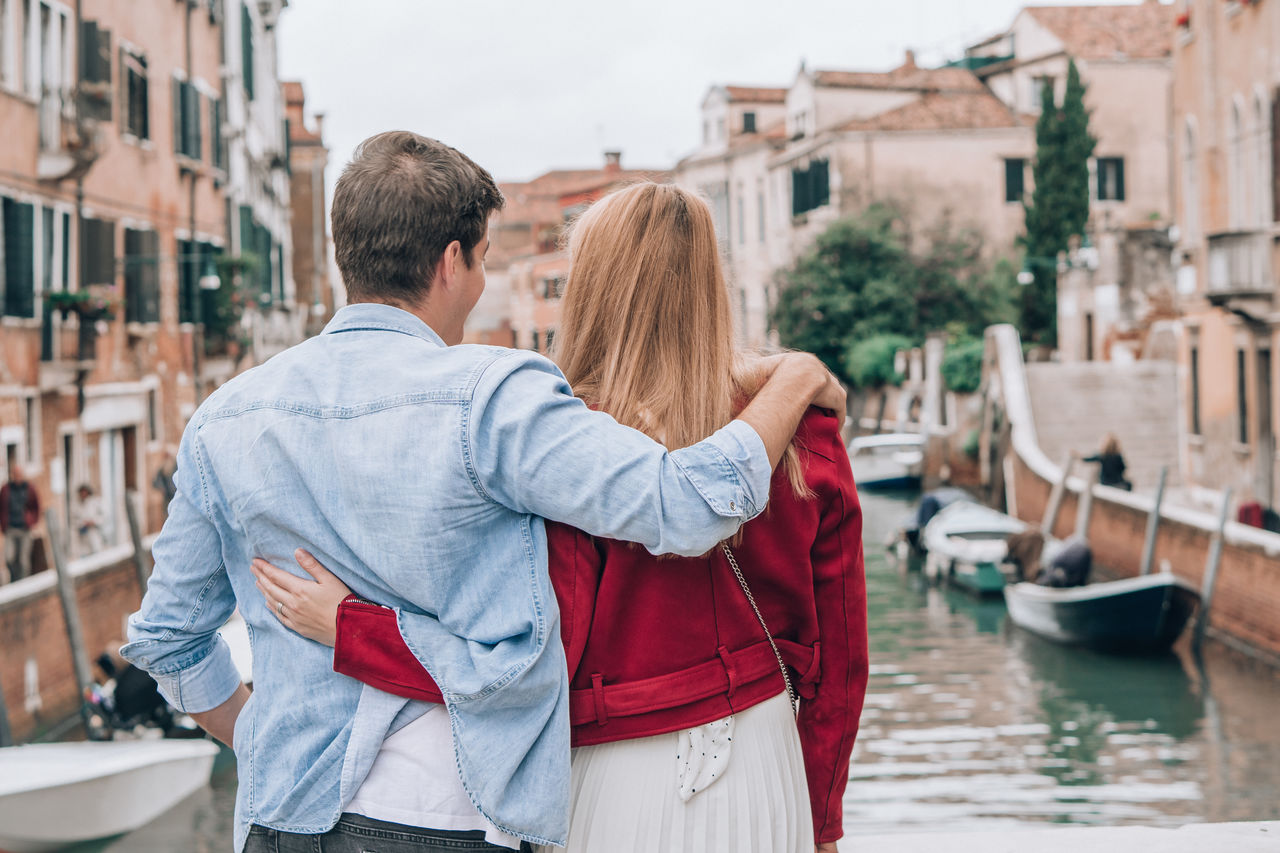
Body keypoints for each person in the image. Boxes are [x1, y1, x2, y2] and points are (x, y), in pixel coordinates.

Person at [120, 132, 845, 853]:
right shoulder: (495, 398)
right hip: (438, 817)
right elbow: (686, 508)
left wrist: (257, 737)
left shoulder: (224, 417)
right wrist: (796, 377)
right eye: (485, 259)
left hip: (279, 818)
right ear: (450, 262)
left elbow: (166, 639)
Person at [2, 464, 41, 583]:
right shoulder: (6, 489)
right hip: (10, 528)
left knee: (24, 560)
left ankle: (24, 583)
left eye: (19, 474)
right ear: (12, 475)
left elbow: (36, 506)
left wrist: (32, 521)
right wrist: (3, 524)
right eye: (15, 474)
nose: (17, 477)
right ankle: (15, 580)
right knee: (9, 558)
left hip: (25, 528)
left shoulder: (29, 489)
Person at [72, 483, 105, 557]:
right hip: (83, 536)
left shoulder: (95, 503)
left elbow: (103, 517)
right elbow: (74, 521)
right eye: (81, 492)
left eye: (85, 492)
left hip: (94, 533)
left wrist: (94, 522)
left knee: (96, 554)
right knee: (84, 555)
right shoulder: (76, 505)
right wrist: (82, 523)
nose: (83, 494)